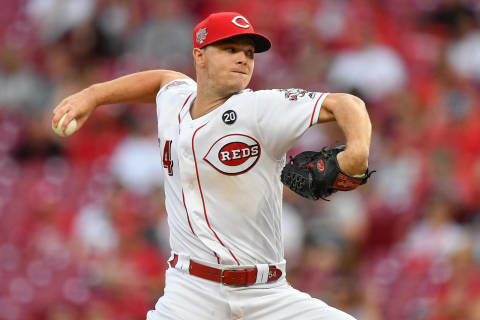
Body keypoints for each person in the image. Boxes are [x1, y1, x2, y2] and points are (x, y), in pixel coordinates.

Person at [52, 12, 371, 320]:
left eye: (249, 52)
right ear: (200, 56)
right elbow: (162, 79)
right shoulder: (175, 100)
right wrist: (92, 95)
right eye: (230, 49)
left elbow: (347, 104)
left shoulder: (261, 108)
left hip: (266, 293)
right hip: (191, 292)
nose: (243, 58)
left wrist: (355, 155)